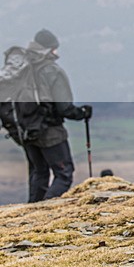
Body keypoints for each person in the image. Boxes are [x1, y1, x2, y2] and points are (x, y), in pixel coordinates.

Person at [0, 29, 92, 202]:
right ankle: (46, 211)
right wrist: (82, 113)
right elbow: (64, 107)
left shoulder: (23, 68)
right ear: (50, 49)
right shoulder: (51, 70)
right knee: (64, 174)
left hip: (25, 130)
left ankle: (31, 214)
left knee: (39, 172)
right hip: (49, 131)